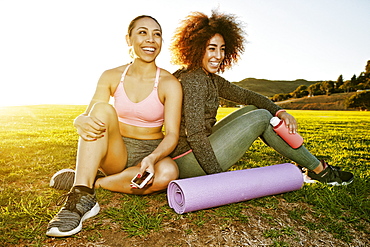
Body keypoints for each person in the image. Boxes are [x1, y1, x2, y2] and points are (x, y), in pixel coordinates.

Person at [169, 10, 354, 185]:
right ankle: (320, 170)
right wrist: (218, 178)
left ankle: (312, 166)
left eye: (222, 49)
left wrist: (280, 112)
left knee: (254, 110)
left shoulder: (209, 78)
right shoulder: (193, 80)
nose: (218, 56)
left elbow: (247, 95)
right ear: (196, 48)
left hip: (196, 153)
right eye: (211, 48)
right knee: (262, 118)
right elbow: (194, 134)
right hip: (188, 161)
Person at [46, 15, 182, 237]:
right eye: (143, 32)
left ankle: (94, 182)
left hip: (150, 153)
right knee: (102, 109)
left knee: (169, 173)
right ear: (129, 39)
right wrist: (78, 119)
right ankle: (80, 197)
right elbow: (89, 115)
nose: (151, 39)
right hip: (116, 153)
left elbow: (172, 135)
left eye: (157, 34)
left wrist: (152, 158)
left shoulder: (170, 83)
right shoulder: (111, 76)